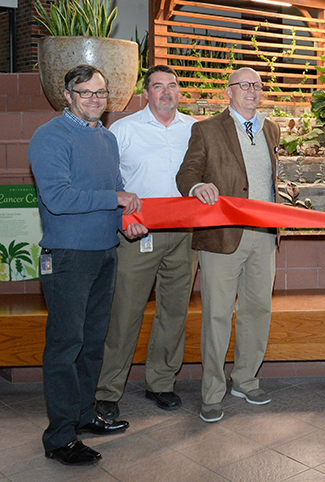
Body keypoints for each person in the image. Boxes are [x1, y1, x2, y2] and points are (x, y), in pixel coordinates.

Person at [28, 64, 146, 465]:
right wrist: (115, 200)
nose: (95, 100)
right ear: (67, 95)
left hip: (104, 252)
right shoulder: (49, 137)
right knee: (65, 345)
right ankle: (60, 437)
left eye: (101, 93)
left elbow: (113, 190)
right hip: (67, 256)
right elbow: (59, 199)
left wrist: (123, 223)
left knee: (93, 343)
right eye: (86, 94)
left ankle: (83, 415)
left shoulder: (107, 139)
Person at [175, 67, 280, 423]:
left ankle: (246, 380)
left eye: (257, 85)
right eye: (244, 85)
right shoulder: (205, 129)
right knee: (217, 315)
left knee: (257, 311)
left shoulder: (270, 128)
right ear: (228, 91)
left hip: (264, 235)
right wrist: (195, 188)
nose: (252, 90)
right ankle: (212, 393)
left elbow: (265, 179)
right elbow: (186, 174)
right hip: (221, 236)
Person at [94, 65, 198, 420]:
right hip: (138, 234)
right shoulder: (122, 130)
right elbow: (107, 181)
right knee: (124, 312)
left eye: (172, 86)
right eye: (157, 86)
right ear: (146, 92)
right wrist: (123, 220)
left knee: (174, 311)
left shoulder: (194, 129)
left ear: (179, 91)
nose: (166, 92)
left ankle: (161, 382)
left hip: (184, 236)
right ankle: (107, 390)